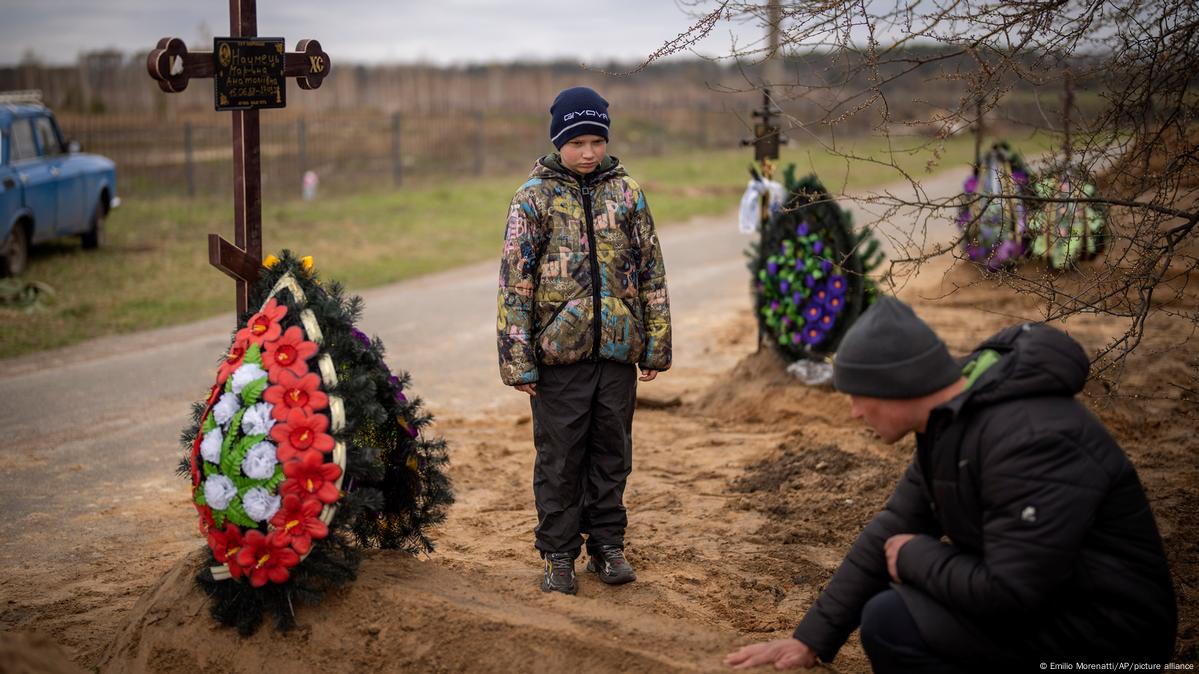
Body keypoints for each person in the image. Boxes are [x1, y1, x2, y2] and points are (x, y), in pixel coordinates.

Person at [725, 297, 1176, 671]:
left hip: (1111, 639)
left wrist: (916, 555)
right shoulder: (950, 422)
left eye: (858, 396)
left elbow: (1012, 592)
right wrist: (811, 640)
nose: (854, 413)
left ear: (895, 386)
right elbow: (892, 526)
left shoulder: (1029, 438)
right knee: (897, 601)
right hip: (1053, 607)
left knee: (892, 617)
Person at [496, 86, 671, 595]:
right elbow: (515, 284)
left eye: (597, 140)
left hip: (618, 352)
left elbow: (651, 272)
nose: (589, 152)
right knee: (561, 457)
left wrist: (655, 343)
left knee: (612, 452)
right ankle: (557, 554)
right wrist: (518, 360)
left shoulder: (629, 193)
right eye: (577, 142)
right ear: (558, 141)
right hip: (559, 360)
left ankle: (608, 547)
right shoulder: (532, 198)